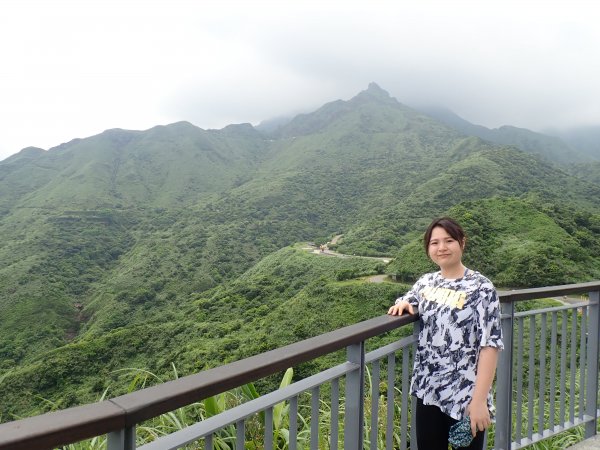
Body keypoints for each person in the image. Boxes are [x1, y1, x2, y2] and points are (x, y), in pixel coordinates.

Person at [388, 217, 503, 450]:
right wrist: (403, 303)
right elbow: (411, 298)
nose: (441, 248)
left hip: (466, 394)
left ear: (462, 242)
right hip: (428, 389)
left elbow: (490, 345)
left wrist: (479, 401)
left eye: (449, 240)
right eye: (434, 243)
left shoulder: (481, 287)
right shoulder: (426, 282)